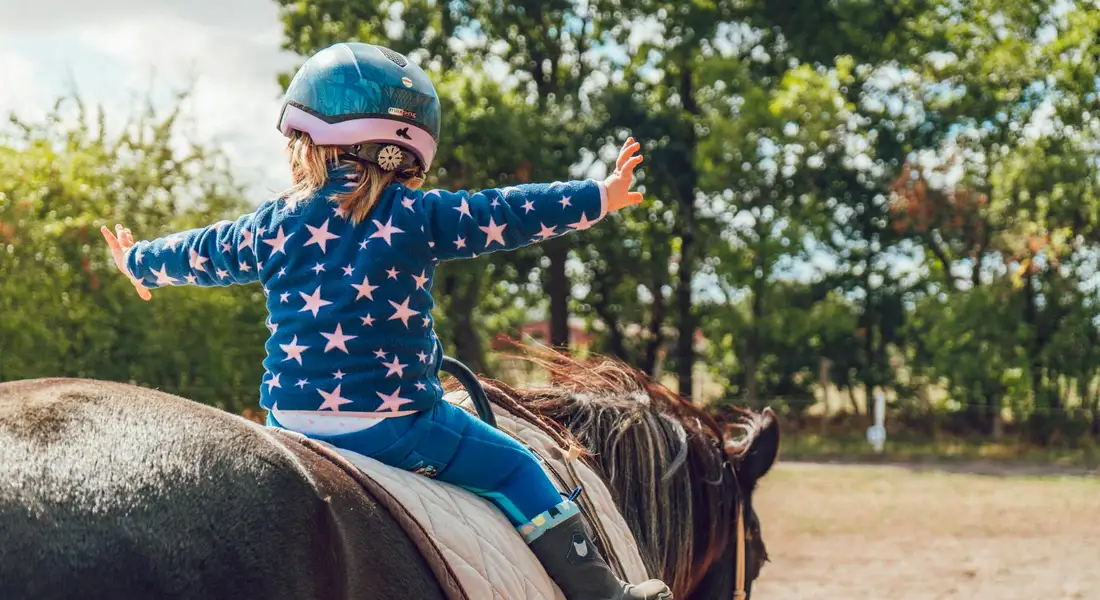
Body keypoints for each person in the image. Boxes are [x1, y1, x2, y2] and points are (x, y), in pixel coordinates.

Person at [101, 42, 671, 600]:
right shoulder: (419, 216)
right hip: (392, 423)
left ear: (307, 143)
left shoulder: (269, 225)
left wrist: (140, 262)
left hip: (287, 422)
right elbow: (508, 211)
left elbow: (204, 250)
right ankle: (603, 593)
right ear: (409, 154)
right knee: (515, 468)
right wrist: (600, 195)